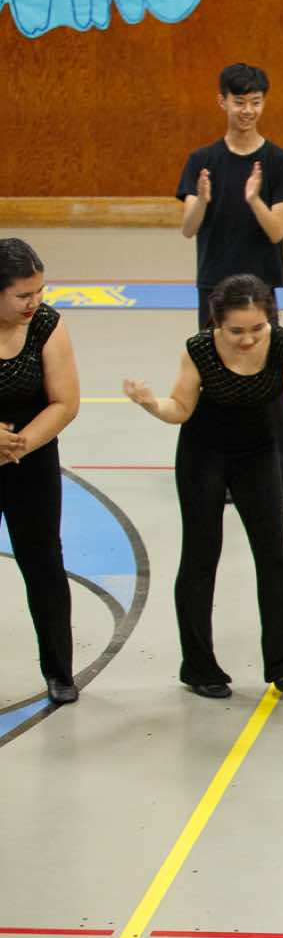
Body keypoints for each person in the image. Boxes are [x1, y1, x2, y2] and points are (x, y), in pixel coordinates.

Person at [124, 276, 283, 699]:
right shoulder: (199, 349)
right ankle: (198, 666)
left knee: (274, 556)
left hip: (258, 456)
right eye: (235, 331)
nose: (247, 339)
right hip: (202, 456)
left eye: (257, 328)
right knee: (200, 557)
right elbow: (179, 407)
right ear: (217, 323)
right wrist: (150, 403)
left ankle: (281, 661)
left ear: (270, 320)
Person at [177, 61, 283, 505]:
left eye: (255, 102)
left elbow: (277, 230)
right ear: (222, 102)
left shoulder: (279, 162)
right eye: (239, 102)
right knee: (212, 380)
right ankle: (218, 475)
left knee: (269, 380)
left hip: (259, 290)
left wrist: (254, 199)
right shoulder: (202, 161)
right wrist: (202, 201)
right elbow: (188, 228)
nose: (247, 110)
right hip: (214, 285)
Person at [0, 240, 81, 705]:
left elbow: (65, 402)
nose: (34, 302)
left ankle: (59, 670)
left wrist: (17, 446)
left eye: (40, 291)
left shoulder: (47, 324)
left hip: (30, 459)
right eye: (23, 295)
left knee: (44, 563)